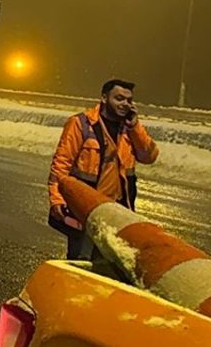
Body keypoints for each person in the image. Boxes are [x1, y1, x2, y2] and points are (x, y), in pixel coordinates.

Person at [48, 78, 159, 260]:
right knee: (82, 262)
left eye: (129, 100)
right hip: (87, 209)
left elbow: (149, 156)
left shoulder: (129, 129)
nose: (125, 104)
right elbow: (61, 165)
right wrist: (57, 198)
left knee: (112, 265)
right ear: (104, 98)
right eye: (119, 98)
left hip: (119, 211)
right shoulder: (80, 124)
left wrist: (135, 127)